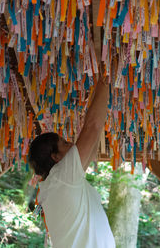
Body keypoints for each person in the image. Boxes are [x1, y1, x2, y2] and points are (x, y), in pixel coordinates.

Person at [28, 79, 115, 248]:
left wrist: (102, 85)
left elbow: (93, 139)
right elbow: (92, 127)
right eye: (66, 144)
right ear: (56, 157)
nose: (73, 145)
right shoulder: (62, 179)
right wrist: (105, 79)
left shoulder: (60, 182)